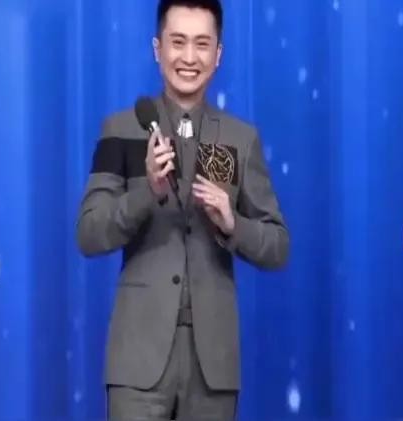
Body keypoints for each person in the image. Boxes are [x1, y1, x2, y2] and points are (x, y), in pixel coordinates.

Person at [76, 0, 290, 419]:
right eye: (178, 42)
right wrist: (147, 193)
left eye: (202, 44)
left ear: (218, 54)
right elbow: (89, 233)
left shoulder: (239, 139)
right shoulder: (122, 129)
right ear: (158, 49)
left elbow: (278, 246)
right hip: (138, 361)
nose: (189, 57)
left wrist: (233, 224)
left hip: (213, 368)